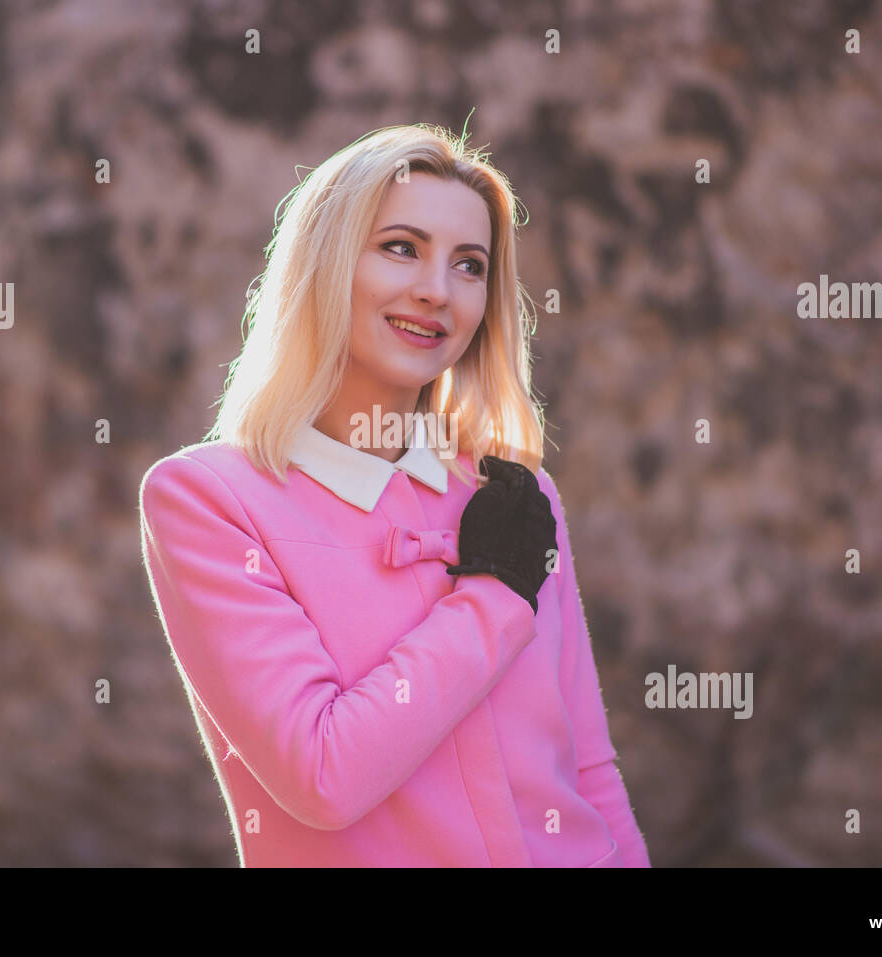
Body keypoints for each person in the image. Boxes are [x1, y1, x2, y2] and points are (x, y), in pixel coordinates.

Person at [138, 123, 651, 867]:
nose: (435, 291)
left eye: (469, 265)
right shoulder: (207, 501)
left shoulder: (516, 495)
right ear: (326, 262)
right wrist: (495, 597)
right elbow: (324, 774)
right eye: (401, 248)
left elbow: (590, 770)